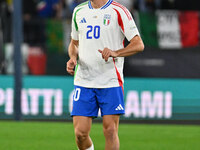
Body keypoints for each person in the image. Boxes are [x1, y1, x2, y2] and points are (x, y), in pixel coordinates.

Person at [66, 0, 144, 150]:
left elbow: (138, 44)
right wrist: (73, 57)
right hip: (84, 80)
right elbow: (74, 43)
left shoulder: (119, 11)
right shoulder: (78, 11)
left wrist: (116, 52)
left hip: (110, 81)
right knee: (80, 133)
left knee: (110, 130)